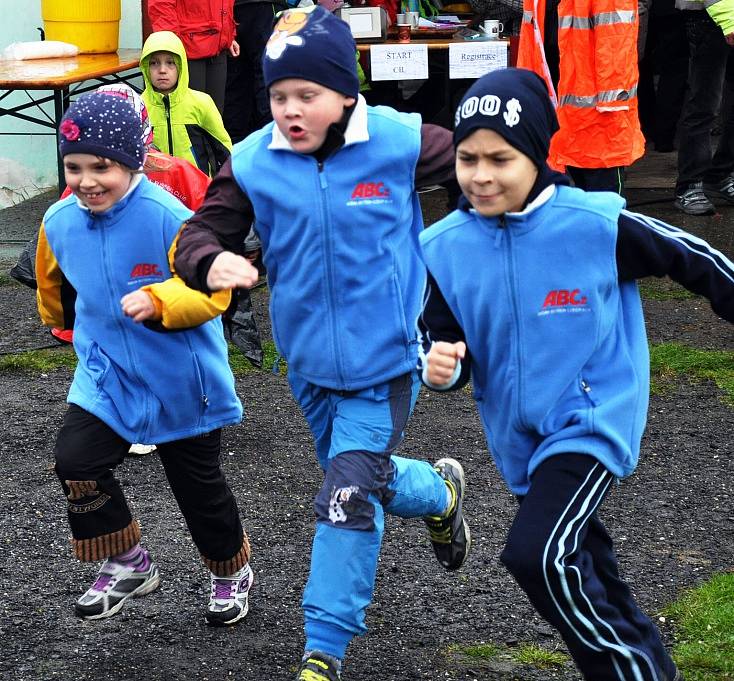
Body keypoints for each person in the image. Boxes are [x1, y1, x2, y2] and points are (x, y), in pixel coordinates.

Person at [173, 7, 466, 679]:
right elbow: (197, 234)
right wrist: (208, 261)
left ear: (345, 93)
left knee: (347, 496)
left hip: (388, 361)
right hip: (306, 365)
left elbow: (482, 164)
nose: (290, 109)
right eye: (278, 96)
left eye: (306, 95)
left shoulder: (396, 140)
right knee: (360, 476)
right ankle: (442, 493)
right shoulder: (252, 161)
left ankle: (321, 652)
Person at [418, 67, 734, 681]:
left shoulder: (595, 223)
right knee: (587, 569)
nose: (481, 176)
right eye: (467, 159)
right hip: (519, 436)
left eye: (500, 159)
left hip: (591, 418)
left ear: (536, 154)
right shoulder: (444, 245)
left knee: (540, 557)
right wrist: (440, 367)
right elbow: (441, 335)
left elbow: (697, 260)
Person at [35, 92, 254, 626]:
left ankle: (229, 573)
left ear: (133, 159)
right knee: (77, 464)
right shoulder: (60, 220)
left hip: (182, 378)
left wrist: (160, 301)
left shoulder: (169, 218)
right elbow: (53, 283)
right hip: (106, 375)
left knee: (199, 493)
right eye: (73, 166)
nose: (86, 181)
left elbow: (215, 294)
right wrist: (65, 325)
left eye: (102, 166)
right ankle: (128, 561)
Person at [517, 0, 645, 194]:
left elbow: (616, 44)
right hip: (559, 117)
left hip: (599, 122)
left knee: (603, 211)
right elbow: (531, 46)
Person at [141, 30, 233, 177]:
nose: (162, 70)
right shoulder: (139, 107)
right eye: (154, 63)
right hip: (156, 191)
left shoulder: (201, 103)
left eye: (170, 63)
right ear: (145, 68)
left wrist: (221, 188)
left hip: (197, 190)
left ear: (181, 65)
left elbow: (223, 149)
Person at [673, 0, 734, 215]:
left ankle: (721, 173)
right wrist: (729, 20)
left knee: (711, 102)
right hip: (709, 16)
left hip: (722, 16)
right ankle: (690, 184)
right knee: (705, 103)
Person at [146, 0, 239, 113]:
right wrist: (172, 43)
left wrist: (227, 35)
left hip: (217, 48)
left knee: (215, 116)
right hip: (187, 50)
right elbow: (161, 5)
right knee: (189, 116)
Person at [223, 0, 276, 144]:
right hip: (262, 7)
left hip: (230, 10)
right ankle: (270, 139)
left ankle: (234, 149)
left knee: (235, 81)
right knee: (267, 74)